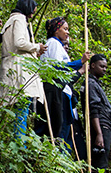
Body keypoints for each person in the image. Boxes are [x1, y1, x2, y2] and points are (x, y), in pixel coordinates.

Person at [0, 0, 47, 137]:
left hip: (11, 66)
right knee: (21, 110)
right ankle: (20, 146)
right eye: (32, 11)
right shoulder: (19, 19)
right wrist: (36, 47)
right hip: (19, 70)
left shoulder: (10, 21)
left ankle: (15, 144)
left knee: (14, 111)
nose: (32, 14)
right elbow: (19, 42)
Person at [38, 17, 89, 148]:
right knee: (56, 128)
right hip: (55, 90)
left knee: (62, 127)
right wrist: (80, 62)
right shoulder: (53, 44)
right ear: (56, 30)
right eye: (65, 29)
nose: (68, 32)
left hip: (62, 91)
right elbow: (57, 67)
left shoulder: (57, 45)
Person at [85, 54, 111, 170]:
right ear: (93, 65)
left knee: (102, 157)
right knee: (100, 161)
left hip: (104, 125)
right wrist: (99, 133)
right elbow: (94, 109)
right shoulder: (91, 84)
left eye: (106, 67)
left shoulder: (95, 84)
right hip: (101, 125)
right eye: (101, 66)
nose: (104, 69)